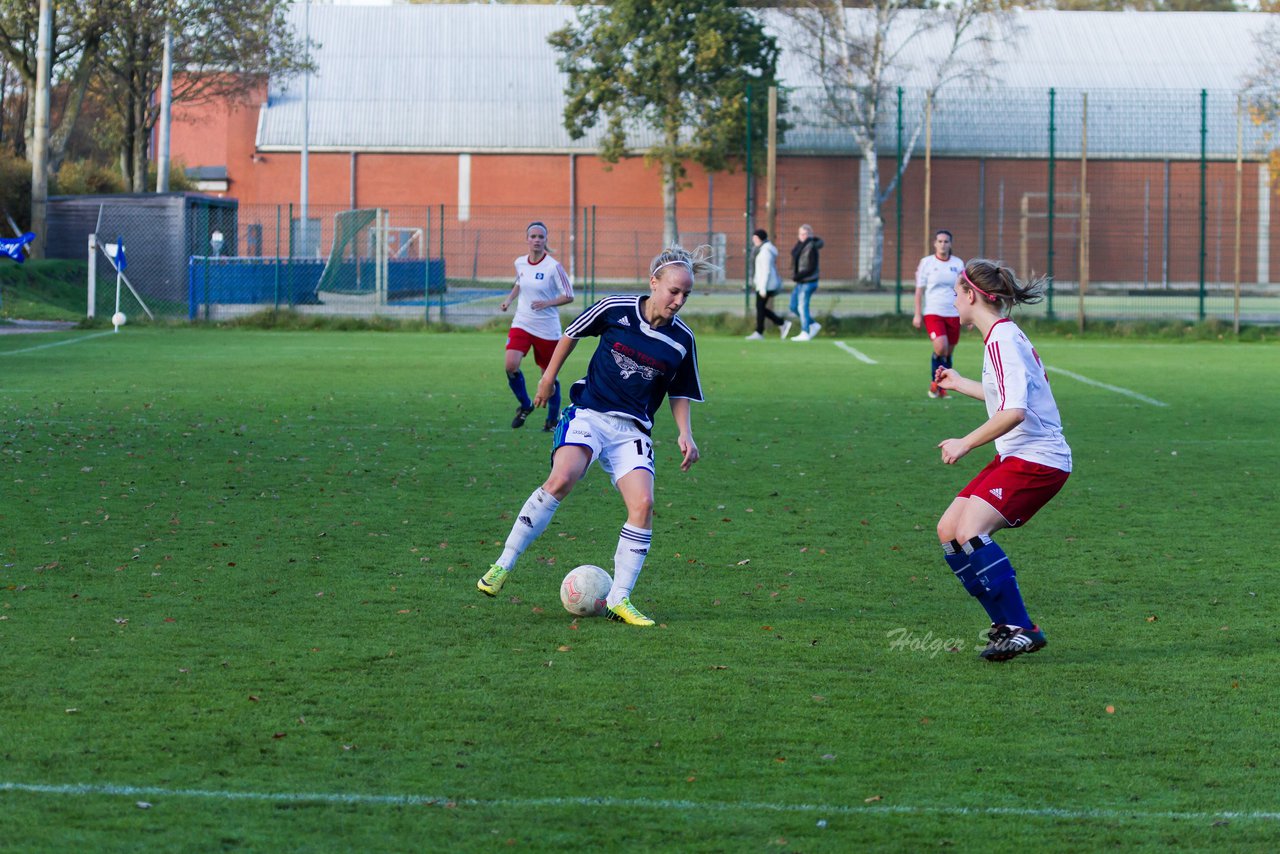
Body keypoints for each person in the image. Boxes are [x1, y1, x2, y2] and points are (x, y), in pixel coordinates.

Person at [477, 244, 715, 627]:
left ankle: (620, 599)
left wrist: (686, 433)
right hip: (590, 413)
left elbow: (680, 391)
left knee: (643, 506)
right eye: (674, 291)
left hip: (633, 430)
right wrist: (548, 377)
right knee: (563, 477)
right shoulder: (614, 308)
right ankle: (503, 564)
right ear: (654, 283)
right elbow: (570, 333)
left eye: (686, 294)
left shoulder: (682, 339)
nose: (679, 300)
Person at [933, 259, 1072, 663]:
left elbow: (1014, 412)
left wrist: (964, 443)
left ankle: (1022, 628)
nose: (953, 300)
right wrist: (959, 384)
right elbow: (1005, 398)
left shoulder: (1003, 340)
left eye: (956, 293)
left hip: (1039, 459)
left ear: (971, 295)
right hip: (1017, 454)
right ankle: (1006, 627)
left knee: (972, 530)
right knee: (949, 530)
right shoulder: (1000, 335)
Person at [500, 221, 575, 431]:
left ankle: (552, 421)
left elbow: (569, 295)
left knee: (548, 376)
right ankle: (525, 405)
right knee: (510, 365)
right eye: (533, 236)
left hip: (547, 329)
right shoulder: (520, 263)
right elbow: (519, 283)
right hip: (522, 322)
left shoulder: (553, 267)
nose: (536, 240)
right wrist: (508, 300)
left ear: (545, 240)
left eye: (540, 237)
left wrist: (547, 303)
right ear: (527, 239)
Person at [914, 229, 965, 398]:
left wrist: (968, 315)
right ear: (935, 243)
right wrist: (917, 313)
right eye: (940, 241)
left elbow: (964, 290)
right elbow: (919, 290)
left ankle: (940, 387)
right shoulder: (927, 263)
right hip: (933, 312)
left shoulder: (958, 263)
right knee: (940, 346)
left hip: (954, 312)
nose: (943, 244)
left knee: (948, 352)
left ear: (951, 244)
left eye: (946, 241)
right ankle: (935, 383)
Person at [746, 229, 789, 340]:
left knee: (760, 308)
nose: (753, 240)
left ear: (761, 238)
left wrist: (763, 288)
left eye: (755, 238)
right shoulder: (760, 249)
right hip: (762, 284)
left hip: (766, 285)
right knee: (760, 308)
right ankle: (780, 324)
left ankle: (761, 331)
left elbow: (766, 271)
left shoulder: (765, 251)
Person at [789, 224, 823, 341]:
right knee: (793, 306)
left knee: (802, 307)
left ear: (810, 234)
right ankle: (813, 324)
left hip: (808, 282)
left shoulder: (811, 247)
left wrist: (799, 275)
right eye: (801, 234)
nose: (803, 236)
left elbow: (811, 267)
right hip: (800, 282)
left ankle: (805, 332)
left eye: (805, 234)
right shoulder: (799, 246)